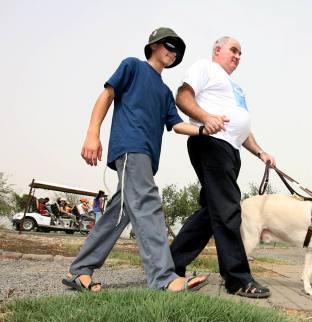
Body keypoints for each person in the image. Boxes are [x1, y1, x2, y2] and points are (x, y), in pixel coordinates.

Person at [62, 27, 211, 293]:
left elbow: (176, 125)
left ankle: (80, 270)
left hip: (145, 157)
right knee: (148, 203)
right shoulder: (132, 66)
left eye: (177, 50)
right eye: (169, 45)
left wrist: (204, 127)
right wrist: (92, 133)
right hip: (131, 147)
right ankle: (164, 277)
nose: (173, 52)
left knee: (118, 214)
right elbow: (107, 95)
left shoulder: (165, 92)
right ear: (153, 45)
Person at [170, 36, 276, 298]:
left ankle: (169, 265)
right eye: (234, 50)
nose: (238, 56)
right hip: (211, 143)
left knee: (211, 211)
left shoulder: (236, 87)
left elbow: (243, 127)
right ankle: (237, 279)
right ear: (217, 50)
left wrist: (261, 152)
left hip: (231, 149)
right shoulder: (205, 68)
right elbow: (182, 96)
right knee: (228, 209)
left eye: (241, 53)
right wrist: (206, 118)